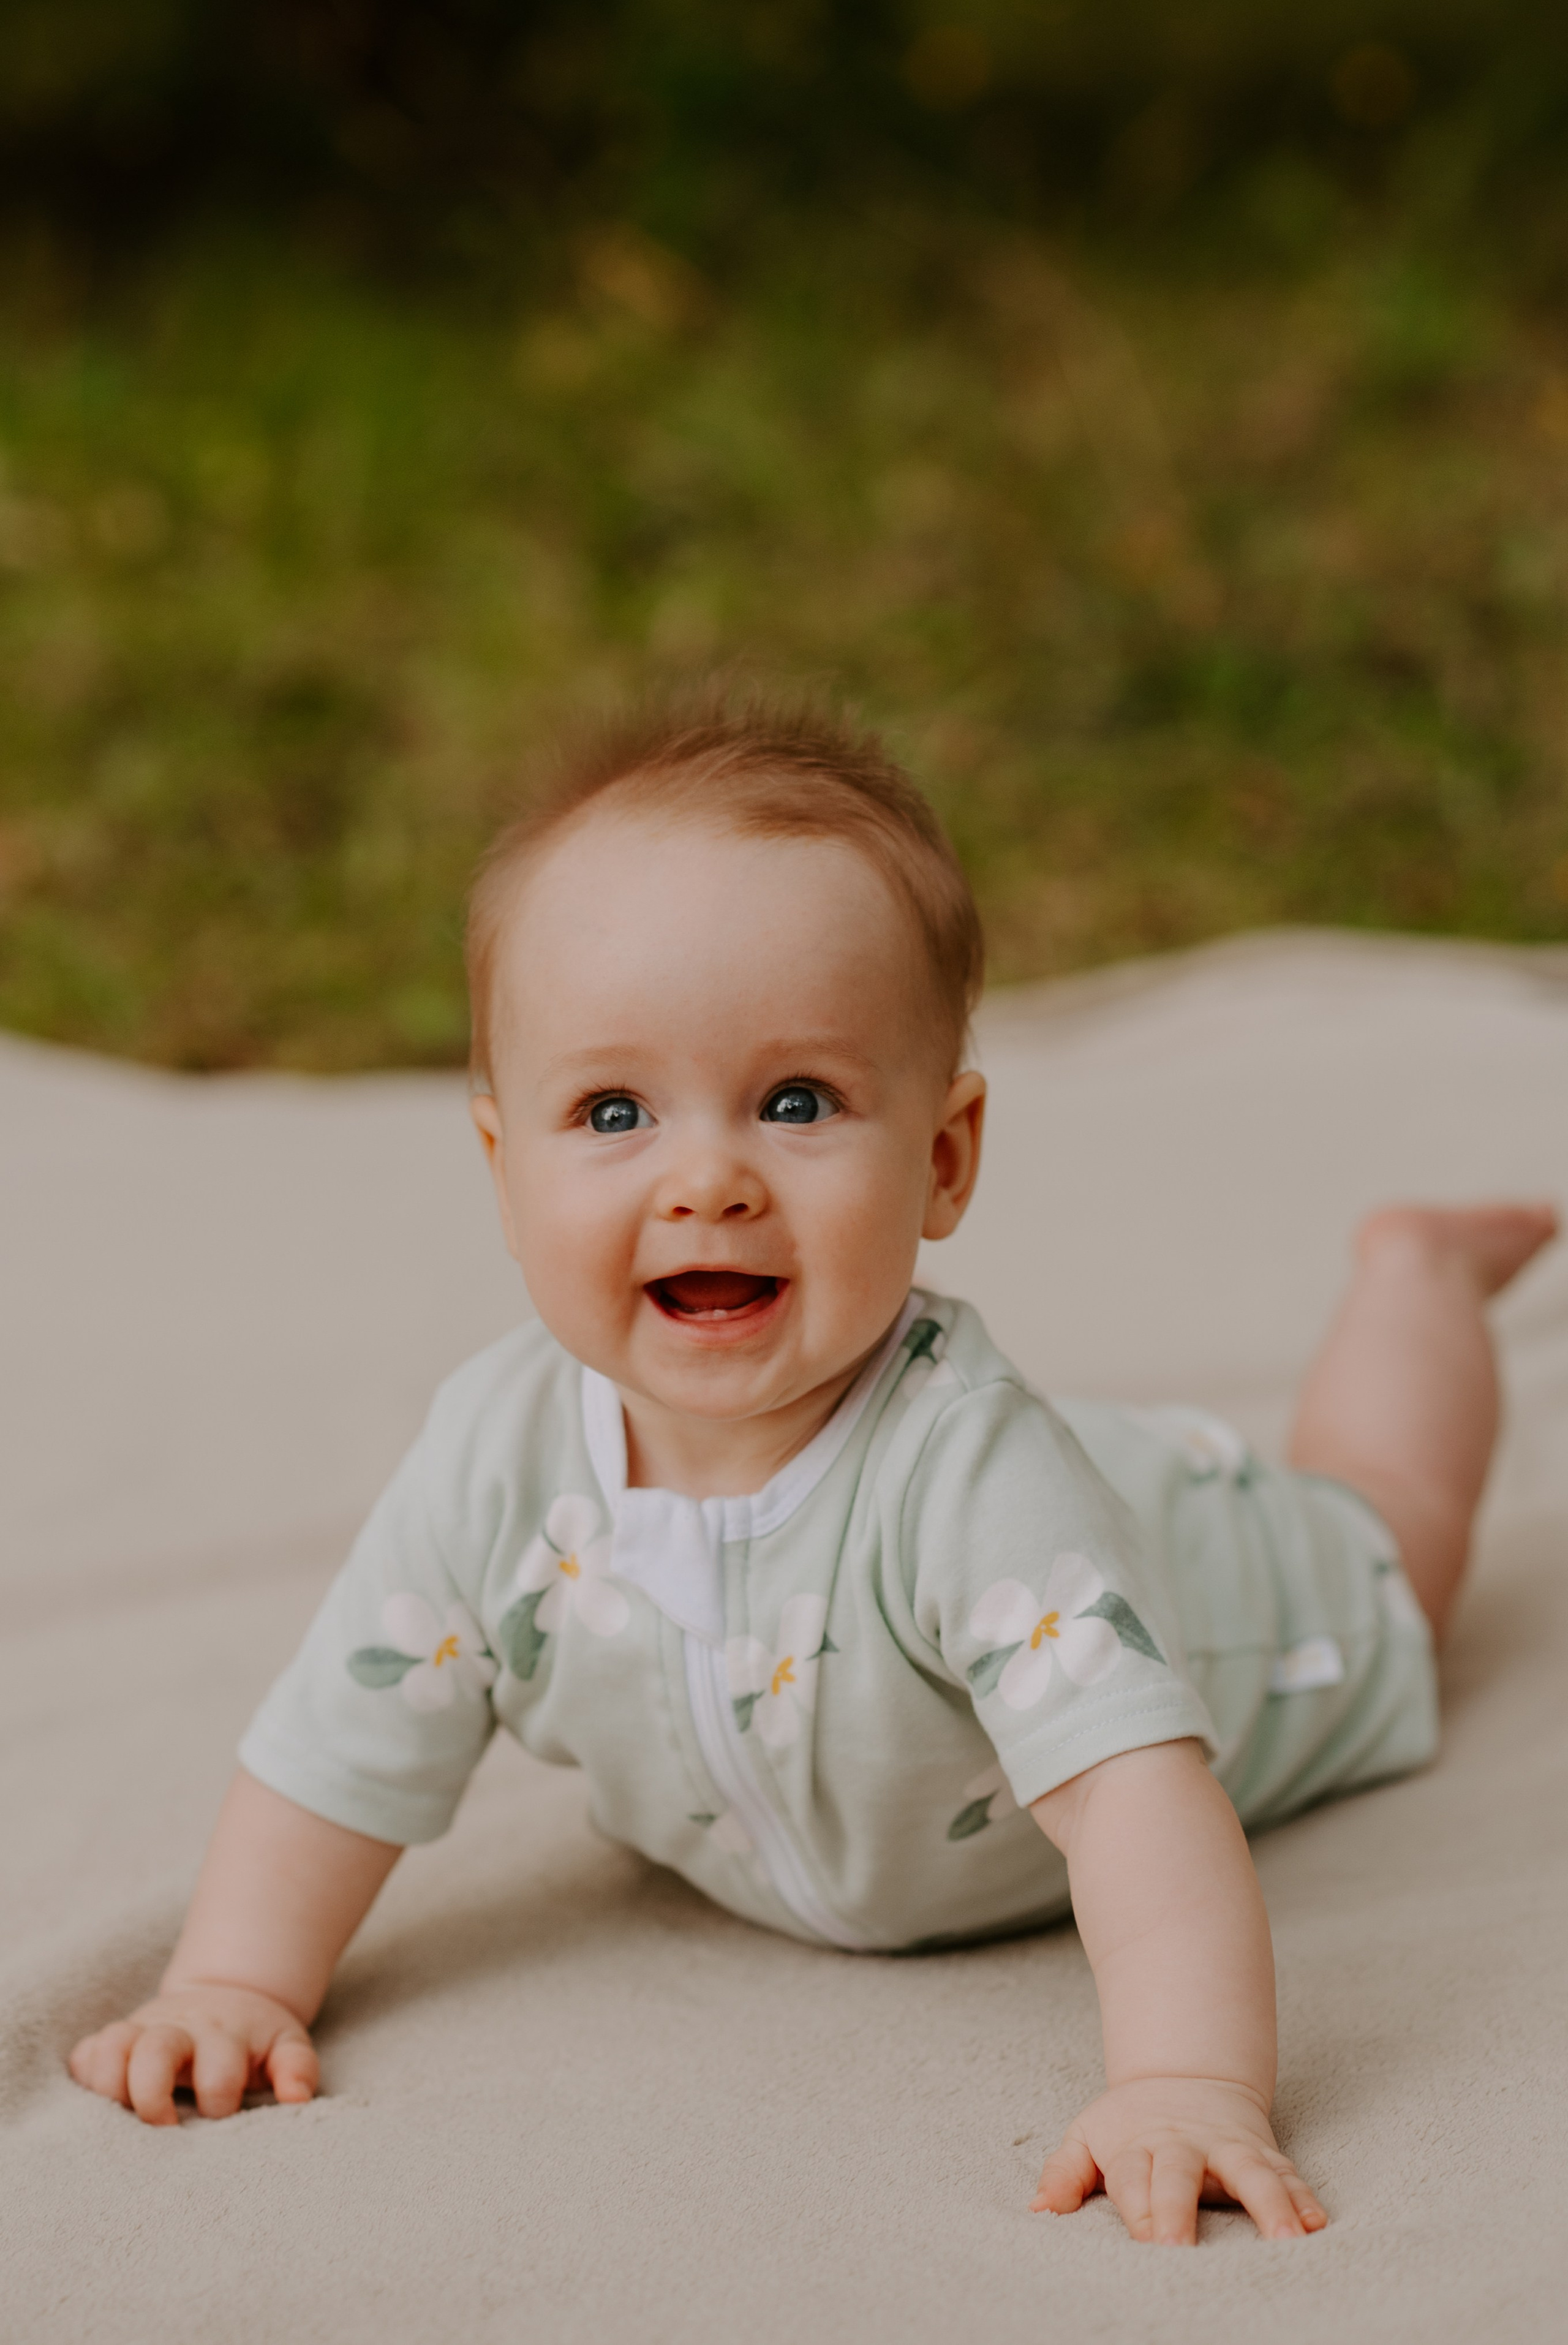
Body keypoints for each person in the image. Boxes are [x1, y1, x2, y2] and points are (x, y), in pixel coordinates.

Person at [69, 697, 1557, 2248]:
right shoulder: (493, 1466)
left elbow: (1134, 1806)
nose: (705, 1176)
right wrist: (232, 1981)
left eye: (796, 1102)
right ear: (500, 1170)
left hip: (1202, 1594)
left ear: (941, 1160)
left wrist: (1187, 2080)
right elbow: (340, 1741)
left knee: (1391, 1522)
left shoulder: (965, 1476)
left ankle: (1417, 1283)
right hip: (1045, 1548)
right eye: (612, 1110)